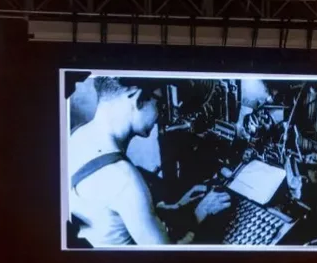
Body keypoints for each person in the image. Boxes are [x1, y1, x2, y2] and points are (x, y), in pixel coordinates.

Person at [64, 76, 231, 246]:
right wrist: (199, 214)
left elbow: (113, 211)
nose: (160, 114)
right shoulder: (125, 178)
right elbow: (164, 256)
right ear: (137, 99)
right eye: (160, 103)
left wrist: (178, 206)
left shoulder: (76, 136)